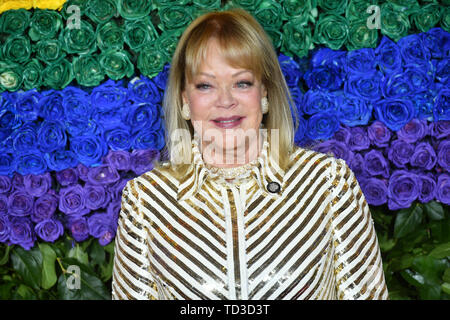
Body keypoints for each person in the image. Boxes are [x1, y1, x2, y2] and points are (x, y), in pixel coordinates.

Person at [111, 8, 389, 300]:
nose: (226, 100)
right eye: (205, 85)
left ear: (265, 92)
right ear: (185, 100)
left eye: (241, 82)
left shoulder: (328, 183)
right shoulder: (145, 199)